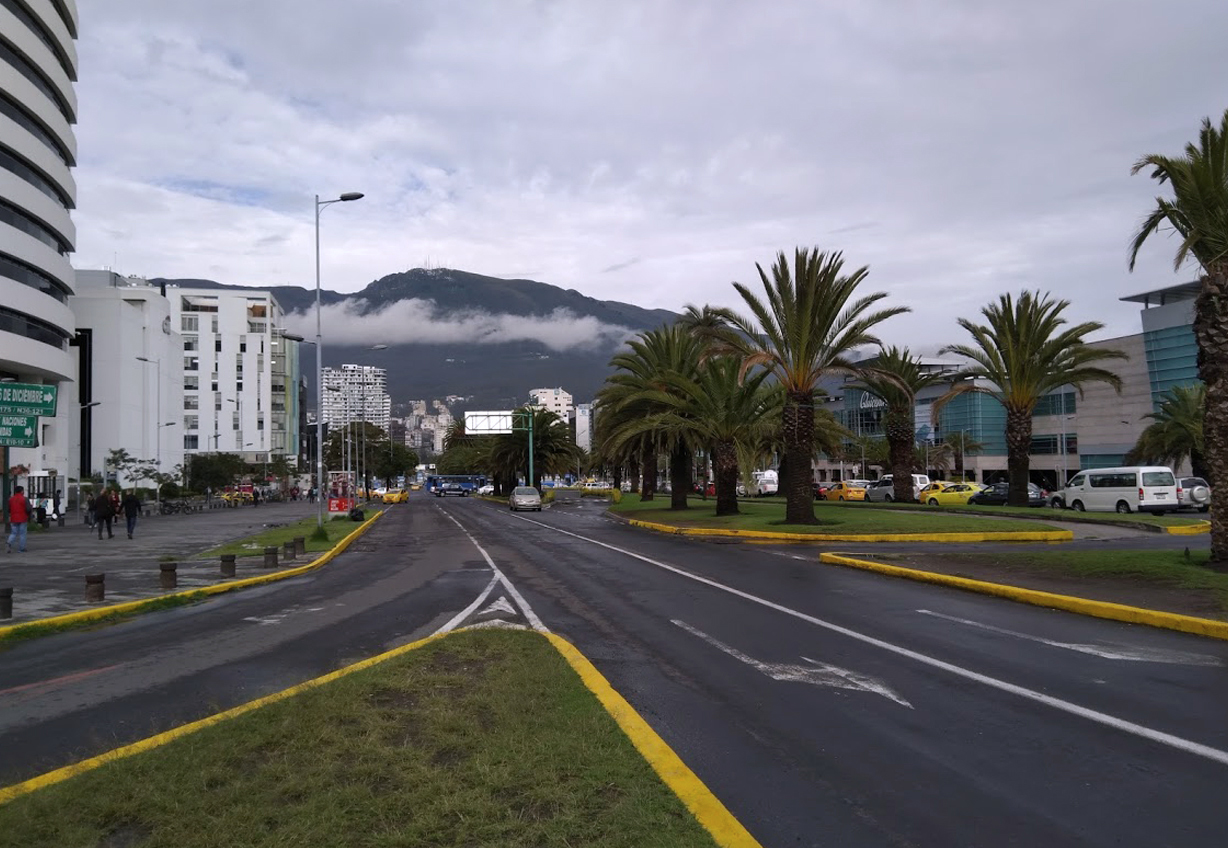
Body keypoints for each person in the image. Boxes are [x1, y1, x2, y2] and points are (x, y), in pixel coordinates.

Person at [6, 485, 30, 553]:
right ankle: (21, 548)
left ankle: (9, 542)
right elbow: (28, 509)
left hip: (13, 518)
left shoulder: (11, 499)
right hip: (23, 518)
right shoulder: (25, 499)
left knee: (13, 533)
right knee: (22, 534)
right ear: (22, 491)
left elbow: (8, 509)